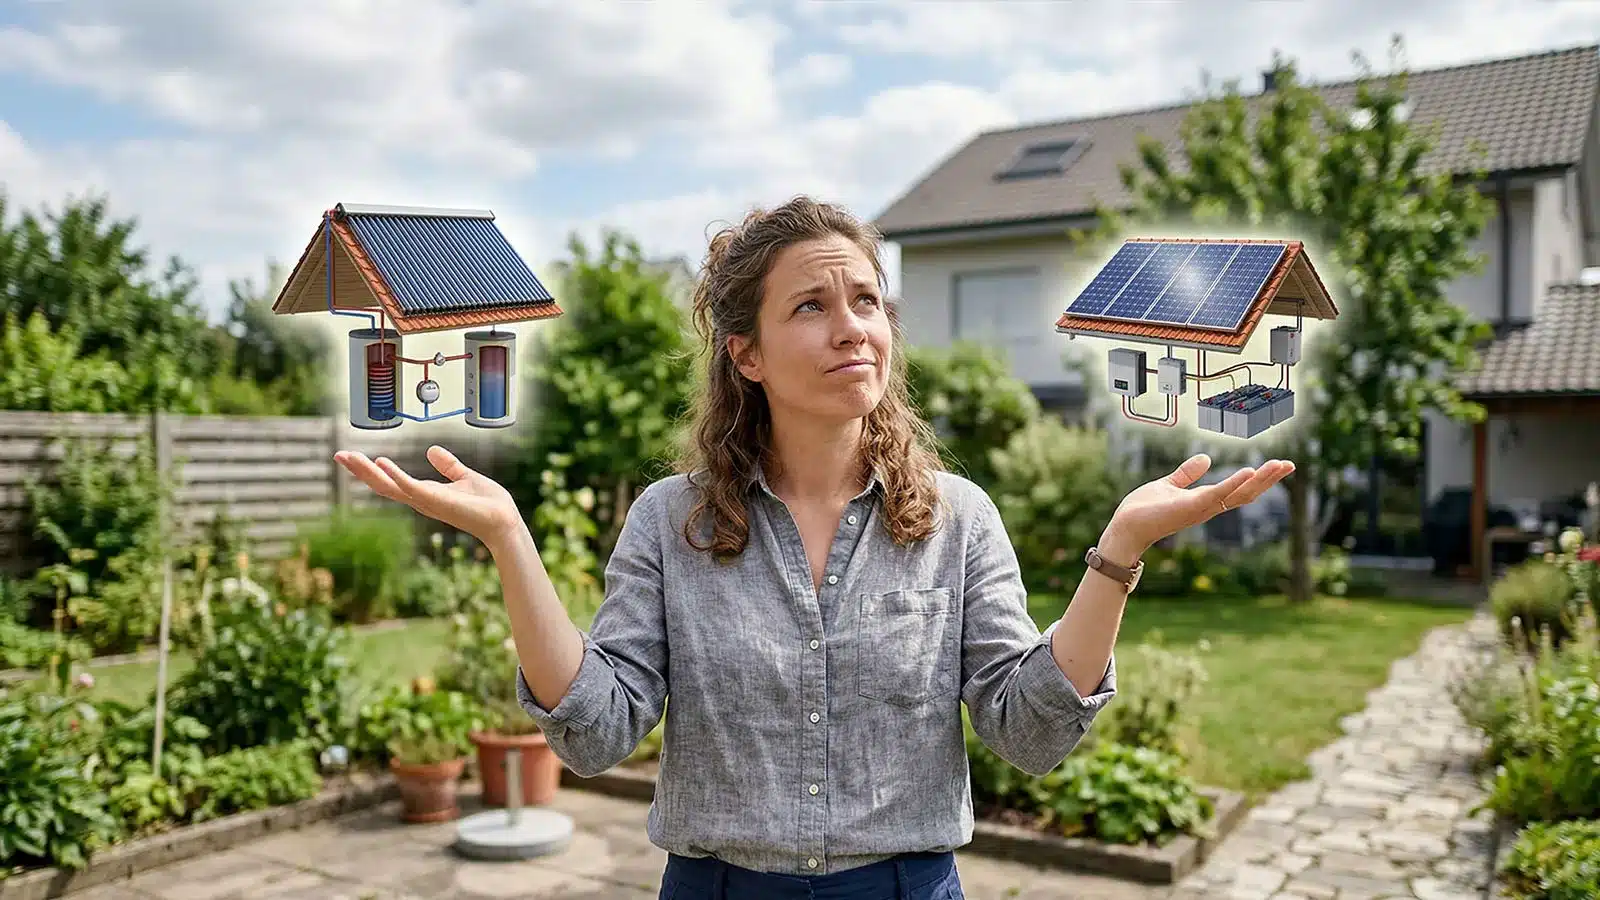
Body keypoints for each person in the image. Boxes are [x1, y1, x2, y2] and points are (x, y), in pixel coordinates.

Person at [334, 196, 1293, 899]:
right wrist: (510, 539)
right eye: (811, 308)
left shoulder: (958, 519)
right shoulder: (671, 522)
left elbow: (1029, 732)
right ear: (744, 354)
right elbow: (597, 732)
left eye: (868, 303)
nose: (854, 331)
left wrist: (1119, 551)